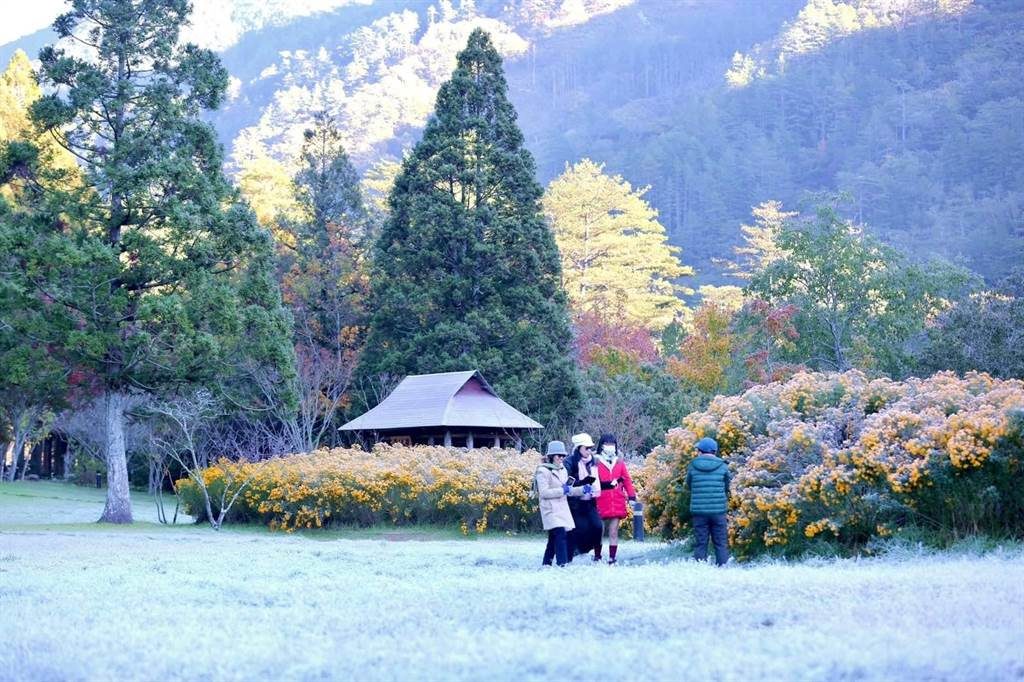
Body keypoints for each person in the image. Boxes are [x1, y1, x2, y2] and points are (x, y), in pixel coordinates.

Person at [534, 440, 584, 567]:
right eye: (558, 456)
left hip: (562, 508)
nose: (561, 458)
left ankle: (546, 563)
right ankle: (563, 564)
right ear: (551, 456)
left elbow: (568, 490)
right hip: (550, 509)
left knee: (554, 538)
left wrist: (582, 490)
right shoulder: (543, 471)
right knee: (560, 534)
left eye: (563, 456)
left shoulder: (563, 470)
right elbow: (544, 493)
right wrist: (562, 490)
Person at [686, 436, 731, 566]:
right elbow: (727, 486)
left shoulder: (693, 466)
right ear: (715, 451)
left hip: (699, 511)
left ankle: (700, 569)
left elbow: (689, 485)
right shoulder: (723, 466)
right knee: (721, 542)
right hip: (718, 511)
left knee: (701, 543)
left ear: (700, 451)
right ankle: (723, 568)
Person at [594, 433, 637, 565]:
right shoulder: (595, 462)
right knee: (598, 530)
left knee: (613, 531)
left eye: (612, 444)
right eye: (607, 444)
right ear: (601, 445)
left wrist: (631, 496)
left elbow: (627, 480)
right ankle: (597, 556)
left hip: (616, 500)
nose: (610, 447)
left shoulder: (619, 462)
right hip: (599, 500)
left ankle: (612, 558)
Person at [564, 432, 602, 562]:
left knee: (598, 526)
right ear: (578, 448)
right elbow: (567, 485)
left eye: (590, 448)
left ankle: (596, 555)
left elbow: (599, 481)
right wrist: (583, 483)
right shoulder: (569, 462)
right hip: (576, 503)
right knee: (580, 529)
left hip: (590, 501)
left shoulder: (593, 462)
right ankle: (575, 553)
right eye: (586, 448)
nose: (589, 451)